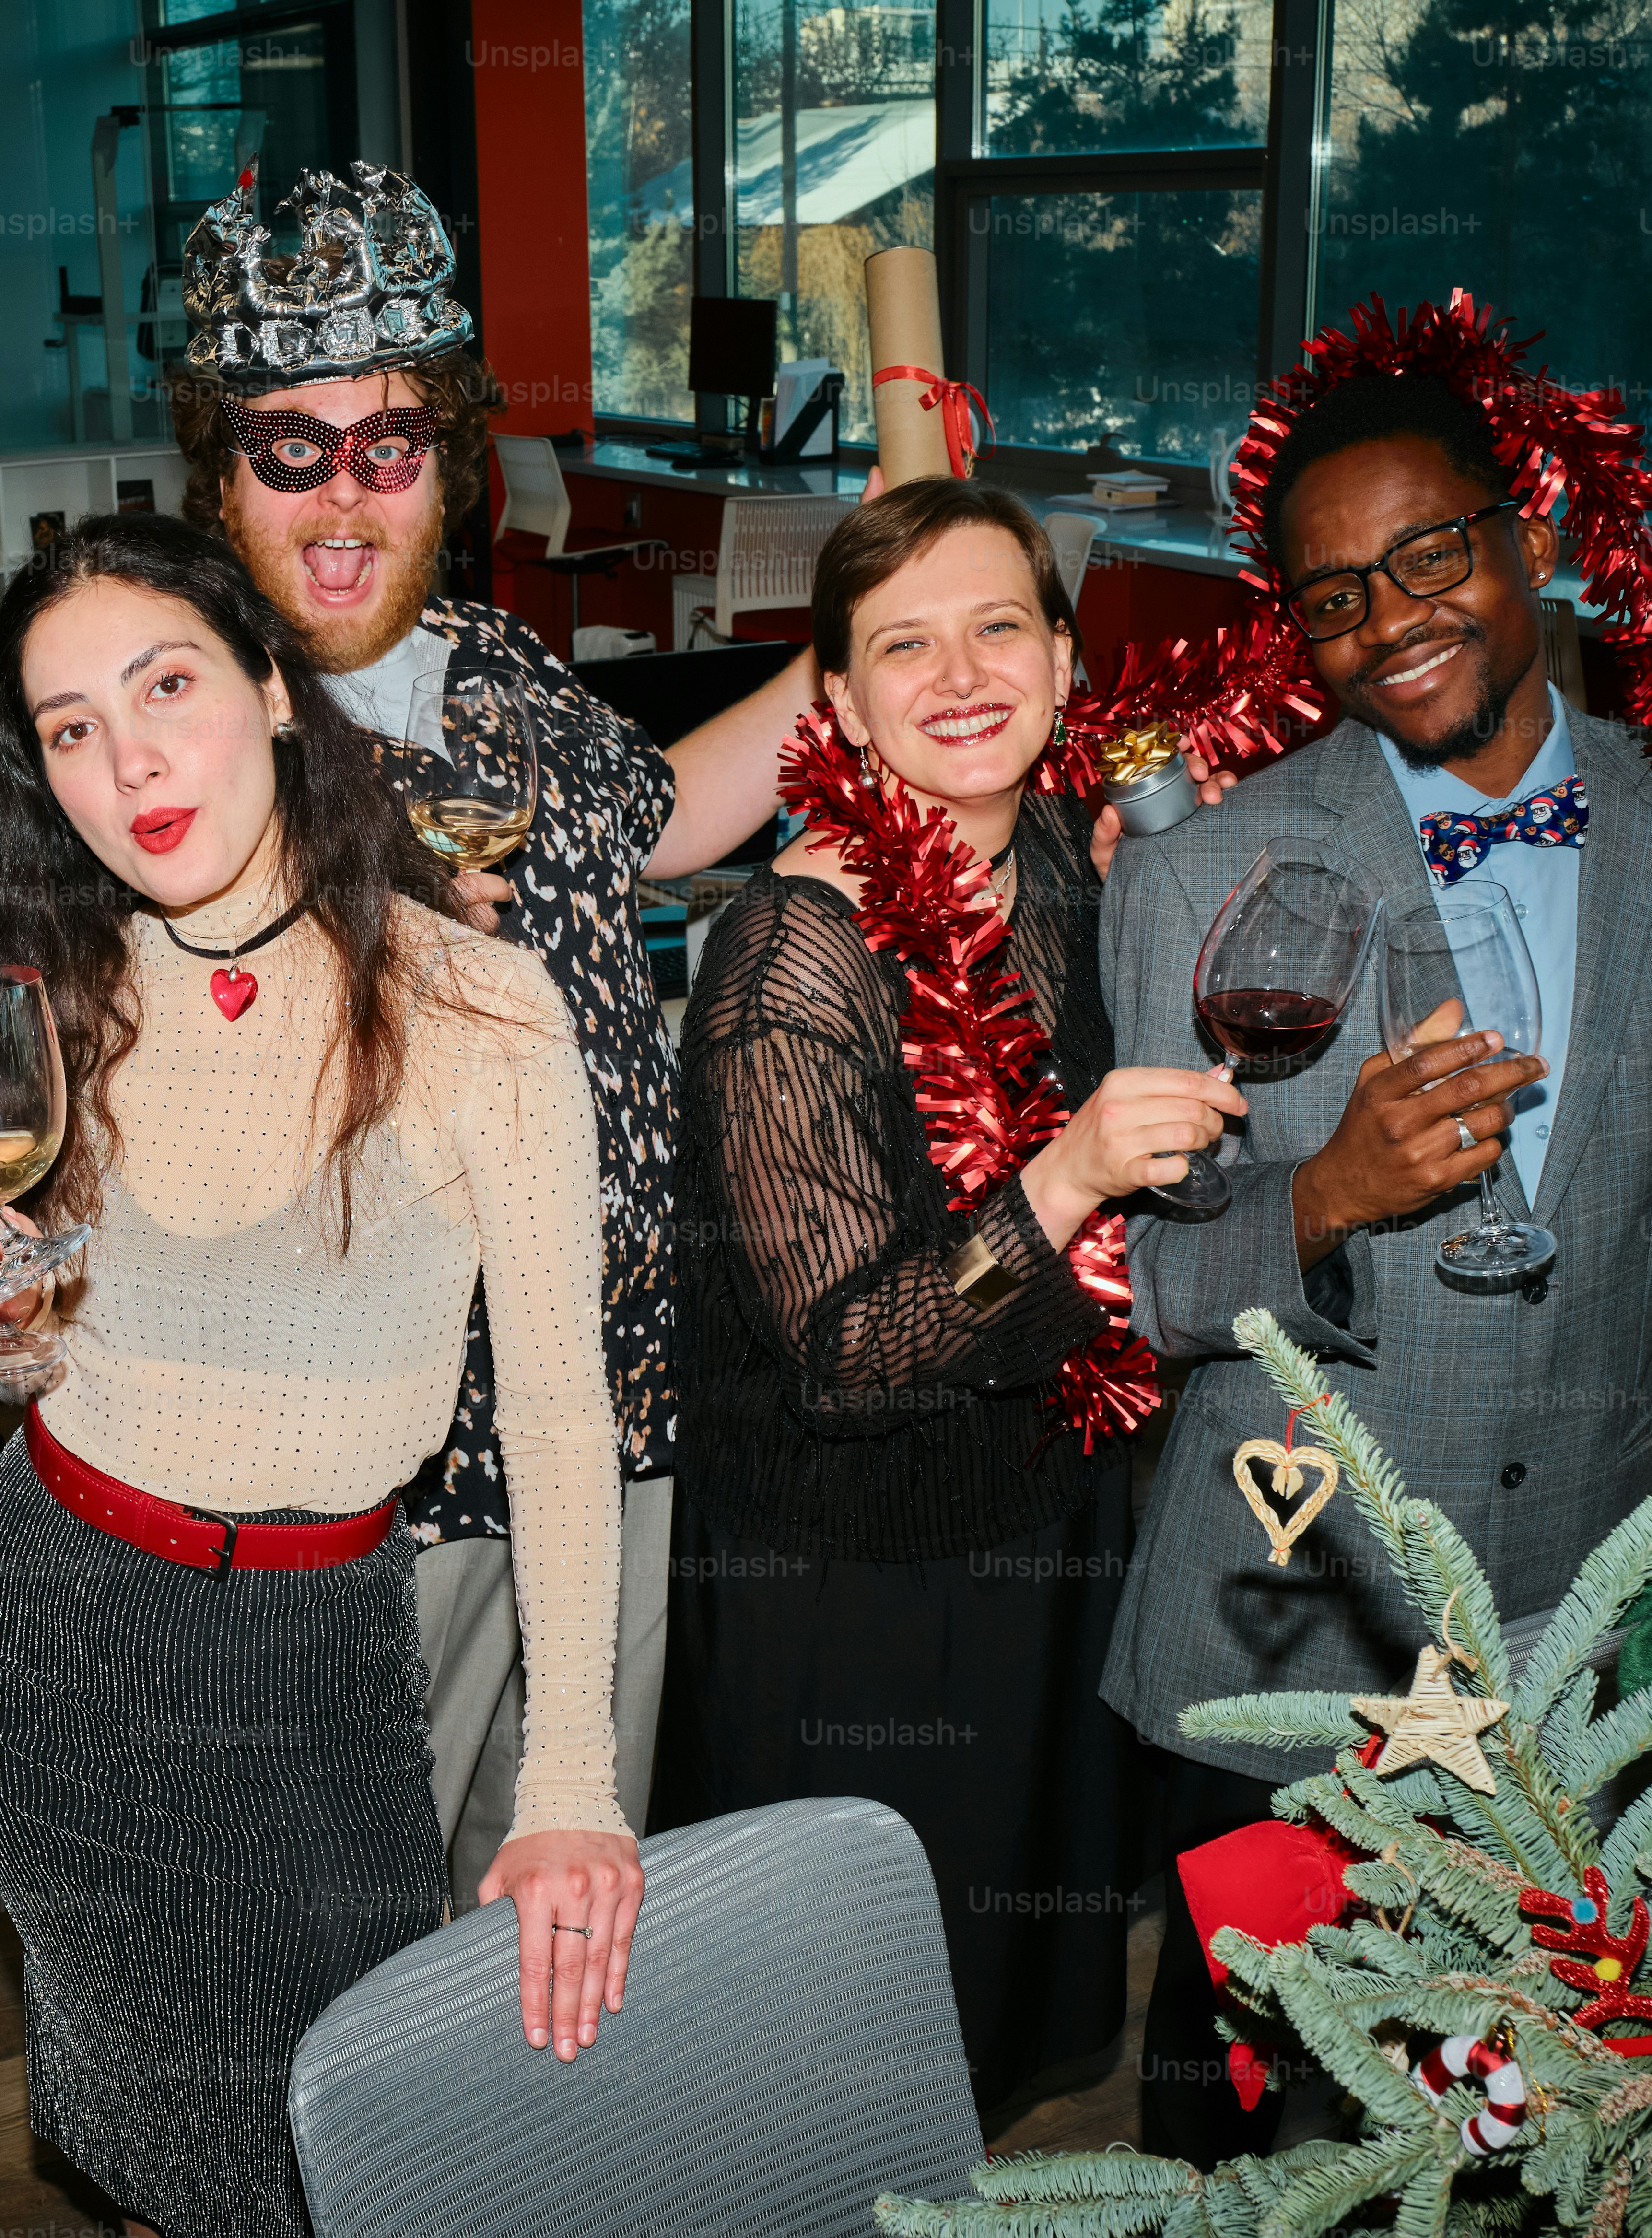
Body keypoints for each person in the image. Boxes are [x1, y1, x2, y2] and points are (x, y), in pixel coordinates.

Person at [1098, 357, 1652, 2160]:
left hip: (1582, 1590)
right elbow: (1155, 1292)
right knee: (1246, 2109)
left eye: (1430, 556)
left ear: (1531, 538)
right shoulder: (1198, 880)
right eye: (1332, 595)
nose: (1391, 620)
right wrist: (1328, 1194)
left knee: (1545, 2090)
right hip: (1298, 1593)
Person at [0, 514, 636, 2238]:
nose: (130, 761)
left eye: (167, 685)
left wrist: (571, 1788)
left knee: (351, 2149)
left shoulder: (478, 1005)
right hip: (56, 1634)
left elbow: (555, 1418)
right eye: (71, 727)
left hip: (318, 1658)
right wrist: (5, 1317)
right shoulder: (59, 984)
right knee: (168, 2157)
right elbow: (68, 1335)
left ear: (277, 690)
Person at [167, 159, 823, 1908]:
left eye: (387, 445)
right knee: (350, 1927)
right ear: (216, 471)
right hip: (386, 1481)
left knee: (557, 1897)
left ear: (451, 460)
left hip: (607, 1419)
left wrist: (875, 650)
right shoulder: (191, 737)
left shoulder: (490, 661)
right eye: (285, 449)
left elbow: (662, 812)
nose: (340, 498)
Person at [665, 477, 1242, 2113]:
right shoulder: (788, 958)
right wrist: (1062, 1181)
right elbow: (850, 1355)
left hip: (1044, 1517)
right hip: (847, 1582)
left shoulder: (1074, 849)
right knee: (837, 2033)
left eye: (999, 625)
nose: (962, 672)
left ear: (1064, 659)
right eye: (902, 645)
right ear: (838, 701)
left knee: (992, 1992)